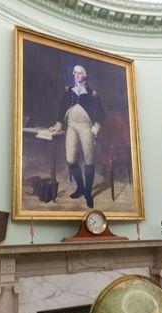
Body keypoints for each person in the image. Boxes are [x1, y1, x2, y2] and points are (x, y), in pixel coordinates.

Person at [49, 65, 105, 208]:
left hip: (86, 127)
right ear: (73, 75)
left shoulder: (92, 93)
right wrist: (58, 124)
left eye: (81, 73)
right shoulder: (68, 91)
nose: (78, 75)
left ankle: (87, 192)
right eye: (76, 73)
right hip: (71, 126)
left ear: (85, 75)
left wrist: (96, 126)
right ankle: (80, 187)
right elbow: (62, 107)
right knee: (71, 159)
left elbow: (100, 112)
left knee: (89, 160)